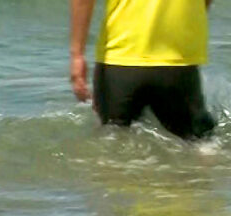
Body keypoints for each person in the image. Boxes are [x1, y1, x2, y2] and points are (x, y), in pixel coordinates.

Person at [69, 0, 215, 140]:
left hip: (120, 62)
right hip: (178, 62)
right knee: (199, 145)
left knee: (112, 145)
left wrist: (77, 55)